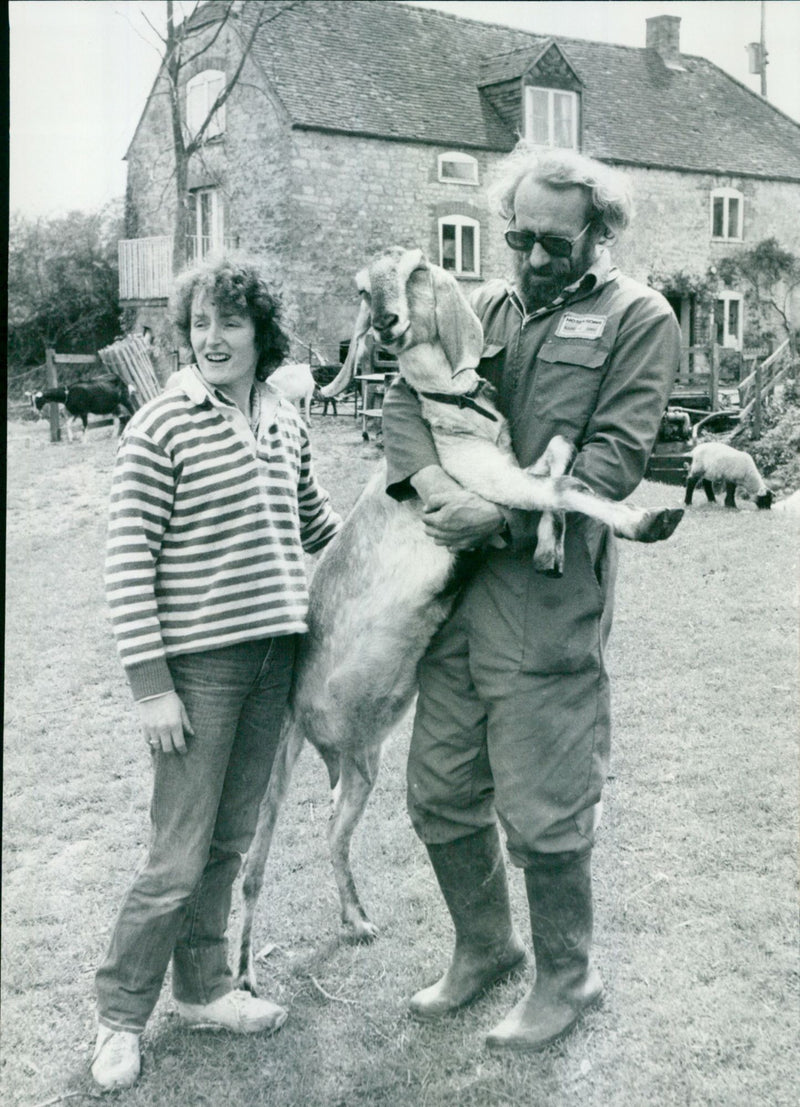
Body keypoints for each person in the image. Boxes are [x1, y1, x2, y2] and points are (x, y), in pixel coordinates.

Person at [381, 145, 680, 1052]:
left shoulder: (639, 317)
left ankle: (567, 974)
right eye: (520, 239)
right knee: (438, 787)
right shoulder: (488, 307)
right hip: (454, 594)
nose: (535, 258)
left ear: (602, 233)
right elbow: (410, 395)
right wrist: (434, 490)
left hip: (548, 596)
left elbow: (612, 459)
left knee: (546, 805)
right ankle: (485, 948)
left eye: (557, 243)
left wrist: (497, 523)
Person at [91, 257, 341, 1090]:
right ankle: (121, 1016)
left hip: (276, 656)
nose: (212, 337)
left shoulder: (284, 416)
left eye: (230, 321)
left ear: (260, 331)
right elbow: (129, 564)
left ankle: (202, 990)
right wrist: (151, 686)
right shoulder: (161, 425)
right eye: (200, 322)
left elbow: (315, 524)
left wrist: (408, 510)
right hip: (199, 670)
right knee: (177, 852)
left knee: (229, 840)